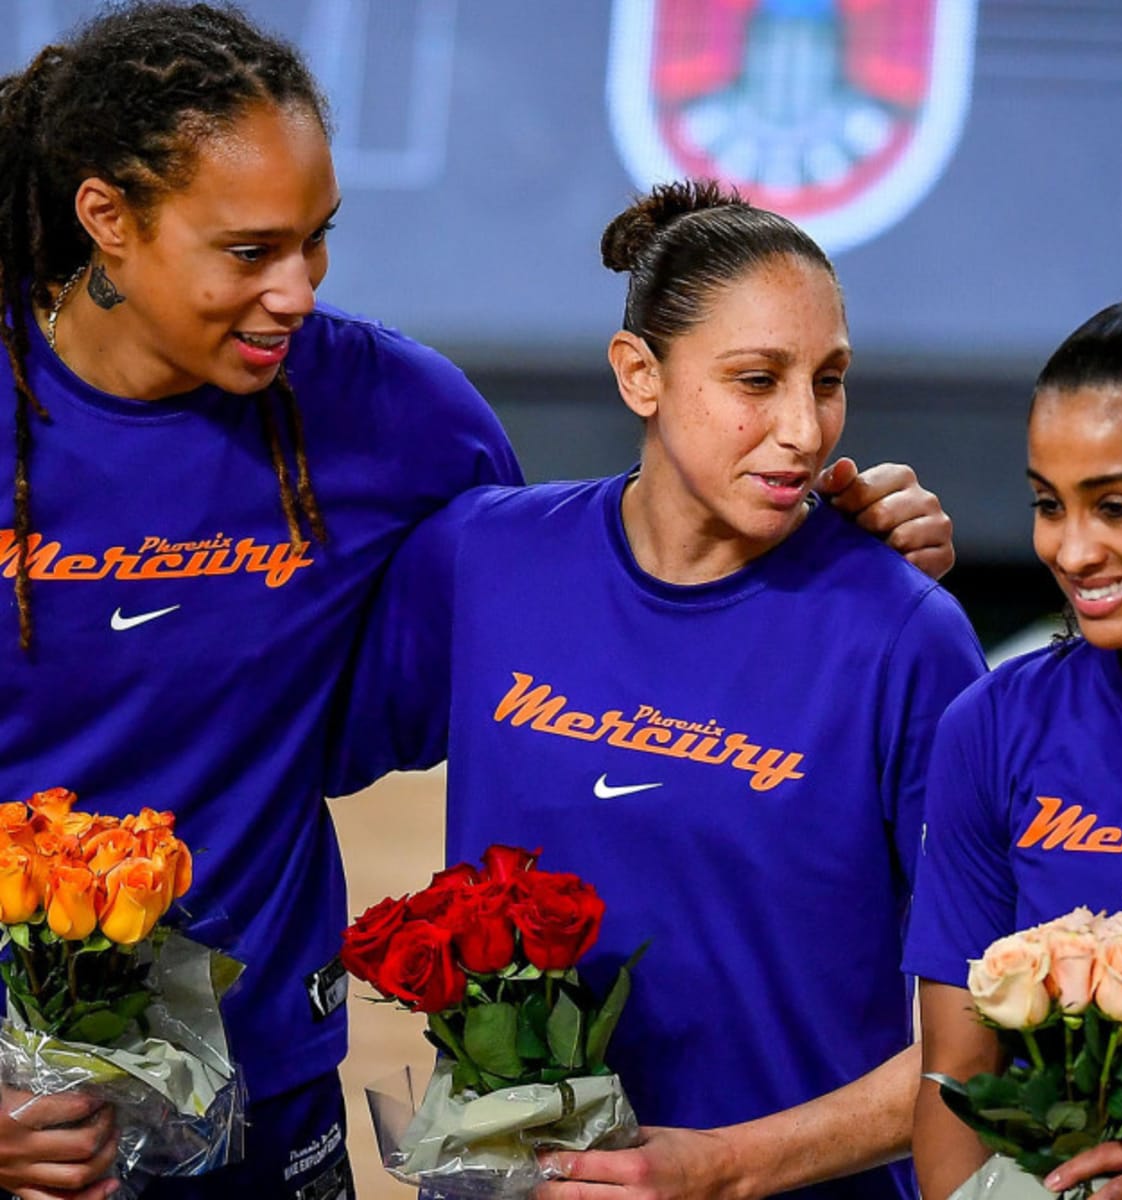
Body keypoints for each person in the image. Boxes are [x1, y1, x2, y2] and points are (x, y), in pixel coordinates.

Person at [0, 6, 956, 1199]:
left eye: (318, 240)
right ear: (108, 220)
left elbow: (599, 619)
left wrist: (831, 574)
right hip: (22, 1116)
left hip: (271, 1075)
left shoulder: (400, 418)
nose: (296, 292)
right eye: (249, 252)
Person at [331, 179, 986, 1200]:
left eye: (829, 379)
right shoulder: (483, 560)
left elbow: (992, 1033)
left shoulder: (905, 634)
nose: (804, 429)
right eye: (757, 379)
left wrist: (720, 1171)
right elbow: (288, 747)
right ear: (639, 373)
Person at [903, 268, 1122, 1200]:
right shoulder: (991, 728)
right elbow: (955, 1081)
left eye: (1115, 506)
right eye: (1047, 503)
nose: (1072, 550)